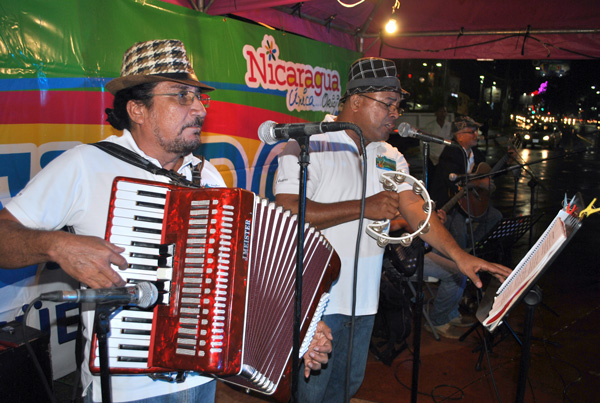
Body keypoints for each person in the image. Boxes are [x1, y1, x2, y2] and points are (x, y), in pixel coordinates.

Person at [0, 39, 331, 403]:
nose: (198, 109)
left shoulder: (207, 177)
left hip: (202, 380)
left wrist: (299, 326)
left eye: (198, 97)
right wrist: (56, 244)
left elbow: (245, 277)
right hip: (126, 388)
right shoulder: (85, 165)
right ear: (138, 110)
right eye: (180, 96)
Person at [274, 57, 511, 402]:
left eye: (398, 106)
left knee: (346, 390)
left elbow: (416, 211)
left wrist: (460, 257)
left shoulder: (390, 155)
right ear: (356, 100)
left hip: (364, 303)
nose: (395, 113)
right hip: (317, 304)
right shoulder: (308, 143)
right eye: (388, 103)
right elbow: (287, 210)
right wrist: (363, 207)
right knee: (308, 395)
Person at [429, 115, 503, 251]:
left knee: (495, 216)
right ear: (459, 136)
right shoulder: (451, 153)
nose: (476, 134)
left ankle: (471, 247)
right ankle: (459, 260)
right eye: (472, 131)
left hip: (468, 203)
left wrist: (506, 162)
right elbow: (454, 182)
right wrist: (480, 183)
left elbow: (486, 173)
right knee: (459, 229)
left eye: (476, 131)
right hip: (451, 205)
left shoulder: (477, 154)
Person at [422, 105, 452, 181]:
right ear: (436, 113)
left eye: (444, 111)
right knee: (432, 179)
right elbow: (423, 142)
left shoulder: (450, 126)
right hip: (433, 158)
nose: (442, 114)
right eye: (440, 111)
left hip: (446, 159)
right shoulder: (430, 127)